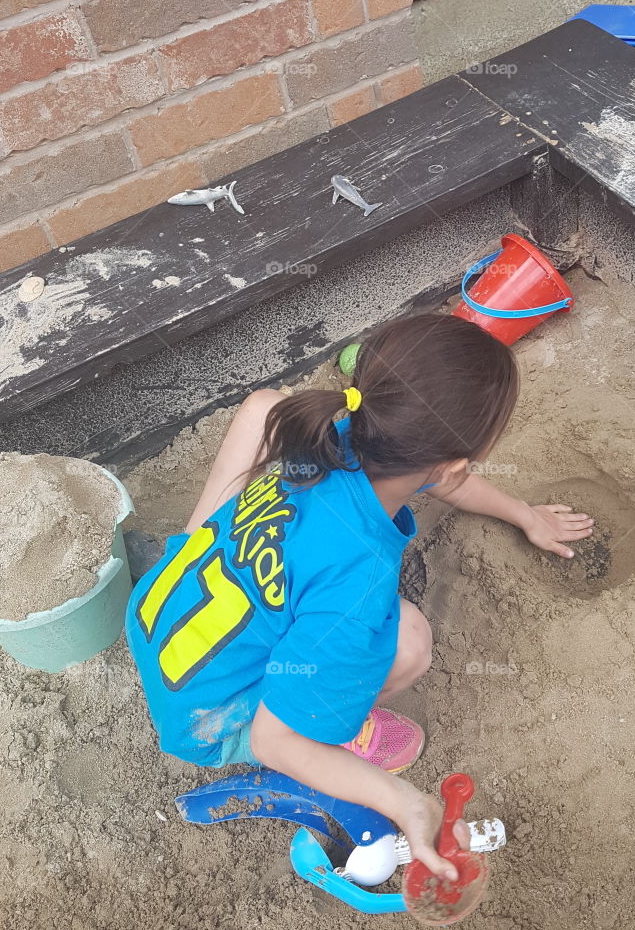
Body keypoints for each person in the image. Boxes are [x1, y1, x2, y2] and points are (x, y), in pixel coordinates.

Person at [126, 312, 593, 879]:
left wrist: (524, 514)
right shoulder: (357, 583)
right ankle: (346, 730)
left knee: (291, 562)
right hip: (208, 717)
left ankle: (197, 547)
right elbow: (275, 742)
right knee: (410, 640)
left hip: (160, 617)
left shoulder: (333, 425)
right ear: (453, 464)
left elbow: (258, 409)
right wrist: (405, 802)